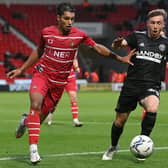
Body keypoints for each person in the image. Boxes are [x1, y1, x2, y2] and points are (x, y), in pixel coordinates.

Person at [7, 2, 135, 165]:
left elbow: (97, 48)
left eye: (72, 19)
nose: (69, 22)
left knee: (37, 120)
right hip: (42, 74)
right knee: (36, 103)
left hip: (59, 82)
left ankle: (25, 121)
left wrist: (119, 58)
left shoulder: (79, 35)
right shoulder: (46, 32)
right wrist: (22, 69)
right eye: (66, 18)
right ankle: (33, 150)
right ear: (58, 18)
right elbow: (39, 50)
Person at [102, 9, 168, 161]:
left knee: (152, 107)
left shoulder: (166, 44)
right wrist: (117, 44)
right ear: (147, 24)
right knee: (120, 121)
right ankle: (113, 146)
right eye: (152, 23)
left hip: (151, 86)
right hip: (131, 86)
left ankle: (142, 145)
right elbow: (121, 43)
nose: (155, 26)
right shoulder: (137, 36)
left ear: (163, 25)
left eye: (158, 23)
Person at [46, 59, 83, 127]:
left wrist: (76, 67)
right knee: (55, 100)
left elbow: (74, 59)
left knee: (73, 98)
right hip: (59, 78)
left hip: (70, 78)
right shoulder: (58, 51)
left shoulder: (72, 50)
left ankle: (75, 120)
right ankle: (49, 115)